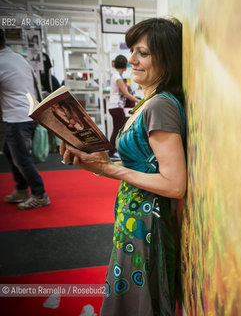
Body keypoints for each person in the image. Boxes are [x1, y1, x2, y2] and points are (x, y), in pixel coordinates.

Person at [60, 18, 186, 316]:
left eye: (143, 53)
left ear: (166, 58)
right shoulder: (147, 102)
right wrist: (90, 158)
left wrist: (107, 168)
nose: (132, 60)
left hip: (148, 223)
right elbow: (141, 163)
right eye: (133, 51)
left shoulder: (160, 106)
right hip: (133, 215)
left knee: (141, 302)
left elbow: (175, 184)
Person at [0, 29, 50, 210]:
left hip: (17, 117)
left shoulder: (2, 61)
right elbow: (36, 84)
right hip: (27, 113)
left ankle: (39, 194)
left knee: (22, 158)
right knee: (9, 151)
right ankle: (21, 189)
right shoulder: (18, 58)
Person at [108, 54, 139, 159]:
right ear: (125, 65)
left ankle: (114, 151)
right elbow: (126, 94)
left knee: (118, 129)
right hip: (116, 106)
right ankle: (112, 152)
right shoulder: (117, 77)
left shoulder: (116, 76)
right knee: (118, 129)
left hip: (115, 106)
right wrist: (139, 101)